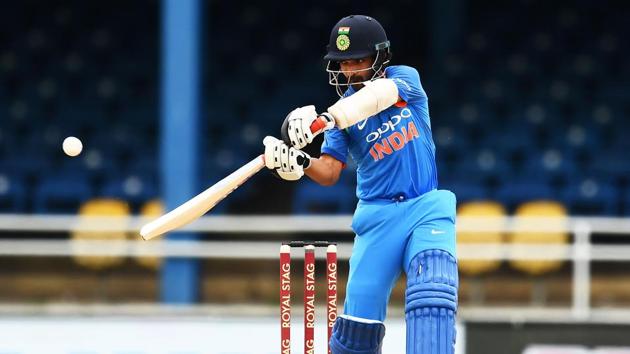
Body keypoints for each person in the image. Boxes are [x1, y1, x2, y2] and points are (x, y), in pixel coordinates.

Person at [263, 15, 458, 354]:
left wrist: (324, 119)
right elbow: (329, 172)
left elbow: (380, 95)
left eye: (358, 60)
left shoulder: (403, 79)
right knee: (357, 334)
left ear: (380, 56)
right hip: (377, 217)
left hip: (425, 207)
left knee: (433, 294)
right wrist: (301, 162)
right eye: (343, 63)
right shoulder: (339, 118)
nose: (350, 70)